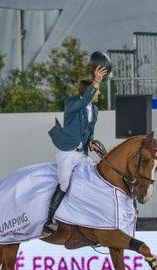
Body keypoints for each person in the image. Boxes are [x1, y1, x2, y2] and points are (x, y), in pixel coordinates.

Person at [43, 66, 109, 235]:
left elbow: (89, 131)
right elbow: (83, 101)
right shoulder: (72, 103)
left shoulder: (94, 110)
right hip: (66, 151)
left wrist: (91, 142)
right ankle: (49, 221)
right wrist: (96, 80)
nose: (99, 94)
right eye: (96, 91)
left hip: (82, 153)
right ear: (89, 92)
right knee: (64, 183)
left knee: (94, 176)